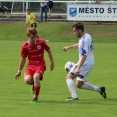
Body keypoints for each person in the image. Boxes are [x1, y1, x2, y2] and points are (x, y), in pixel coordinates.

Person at [63, 22, 106, 101]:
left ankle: (74, 97)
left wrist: (78, 68)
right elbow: (80, 44)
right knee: (79, 84)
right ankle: (100, 90)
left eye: (74, 31)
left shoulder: (84, 40)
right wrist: (69, 47)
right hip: (90, 63)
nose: (74, 33)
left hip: (84, 63)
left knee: (68, 78)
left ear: (79, 30)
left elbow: (84, 55)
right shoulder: (87, 36)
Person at [14, 27, 54, 103]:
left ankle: (35, 97)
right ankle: (35, 85)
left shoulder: (41, 42)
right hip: (30, 66)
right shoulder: (25, 46)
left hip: (40, 64)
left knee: (36, 77)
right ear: (28, 36)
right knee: (27, 80)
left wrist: (52, 63)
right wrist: (19, 71)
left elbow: (49, 51)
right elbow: (23, 59)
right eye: (32, 37)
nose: (34, 39)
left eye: (35, 37)